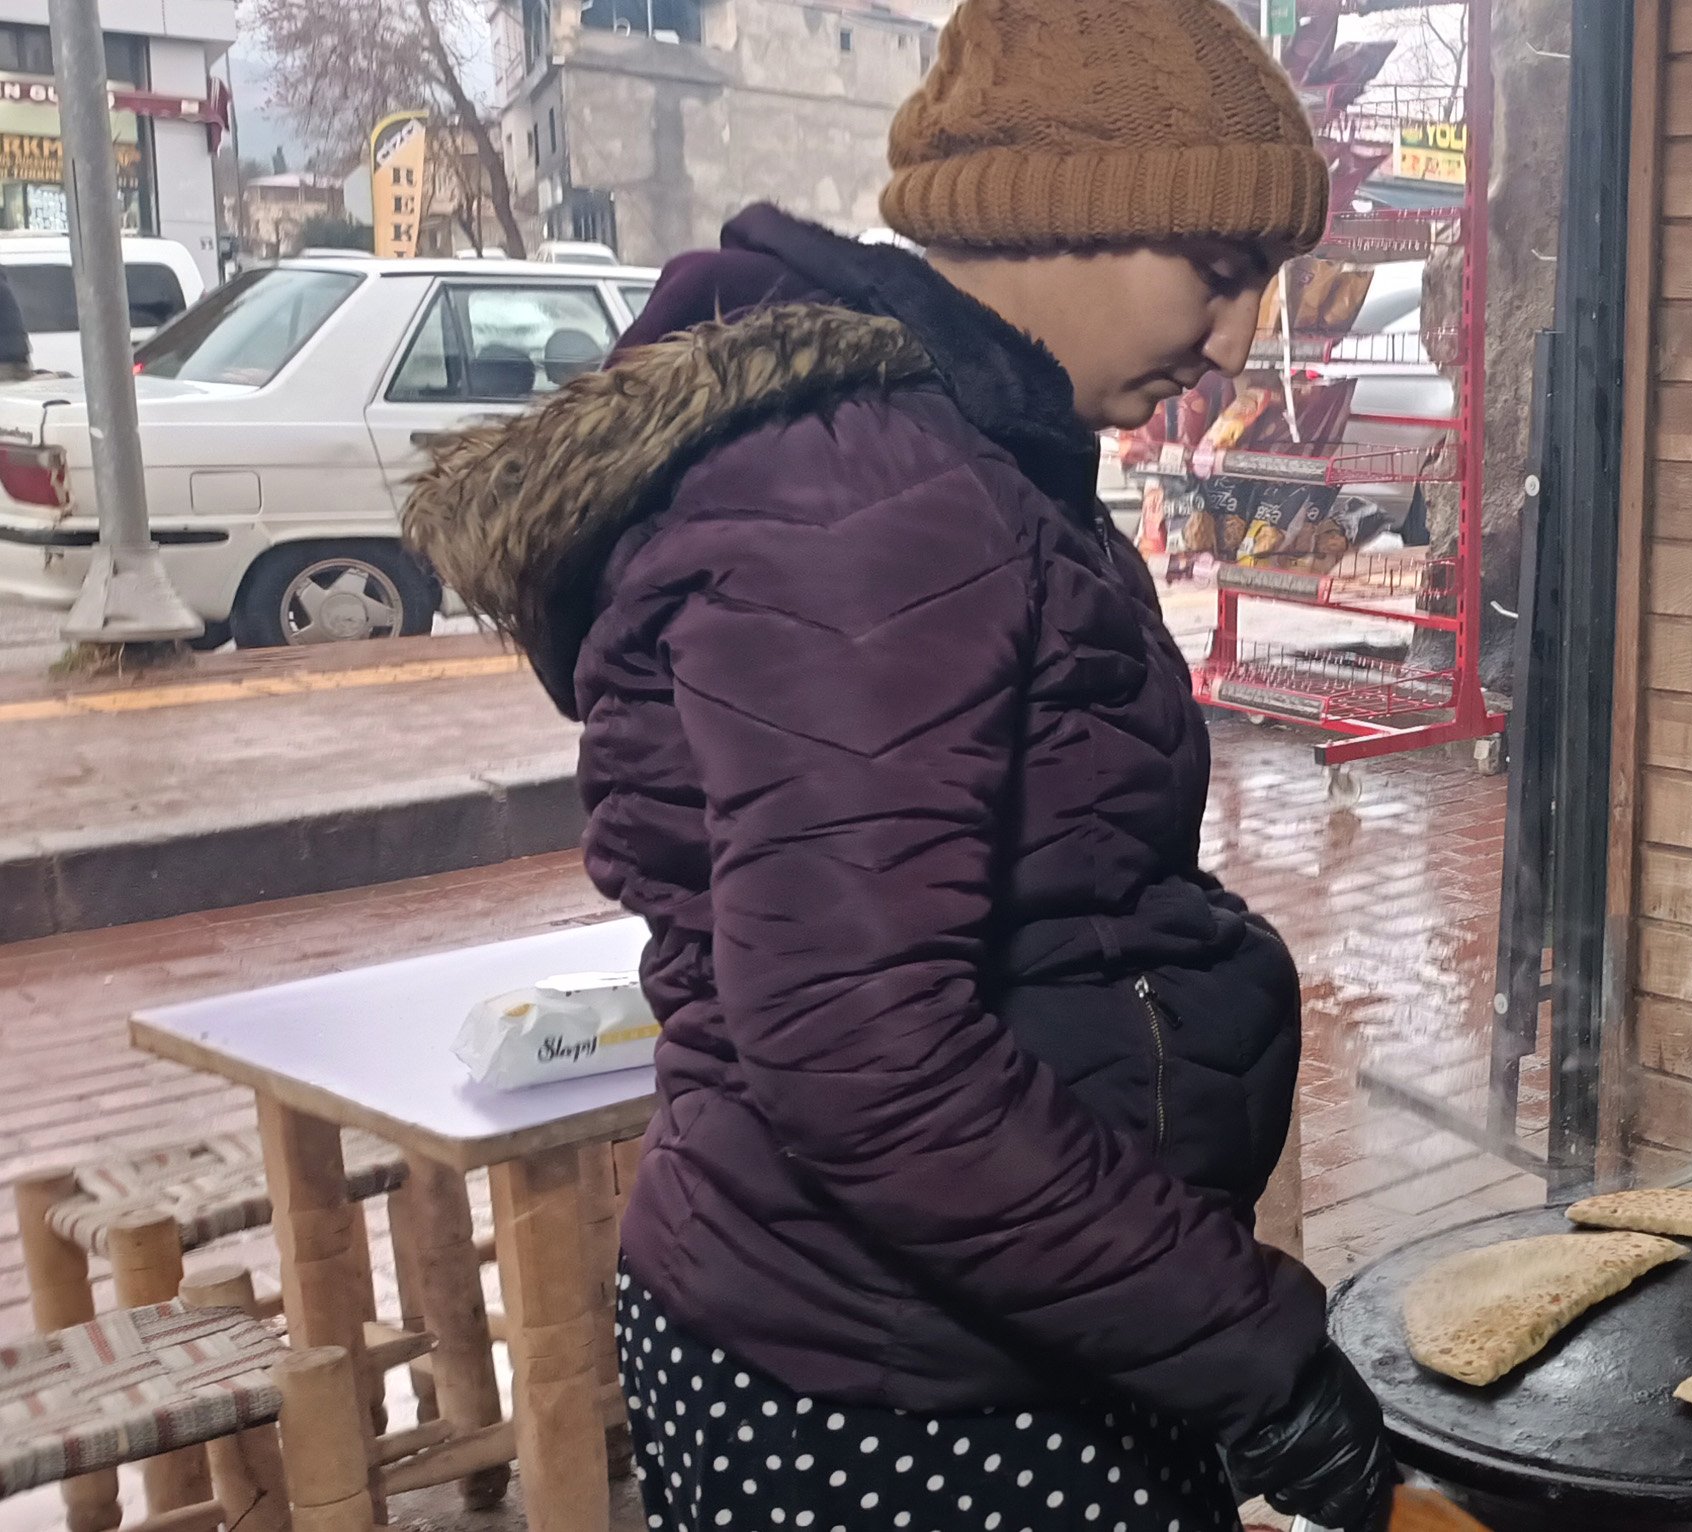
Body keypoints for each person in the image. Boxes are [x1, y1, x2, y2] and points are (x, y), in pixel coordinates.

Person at [399, 3, 1397, 1529]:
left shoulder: (958, 460)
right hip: (897, 1393)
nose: (1239, 340)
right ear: (1063, 213)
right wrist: (1253, 1357)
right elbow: (869, 1056)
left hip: (963, 1331)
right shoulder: (869, 498)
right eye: (1221, 269)